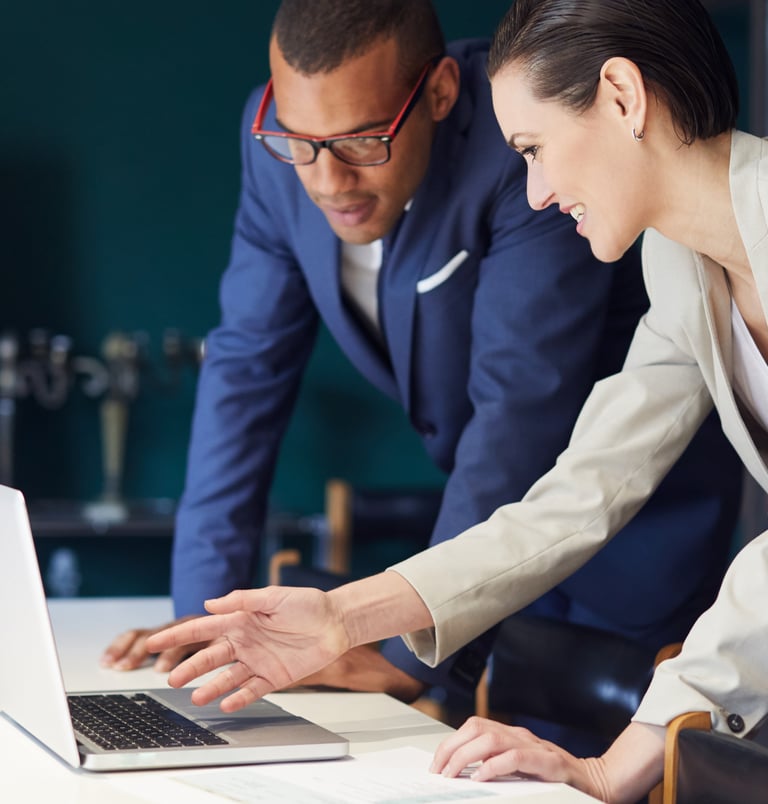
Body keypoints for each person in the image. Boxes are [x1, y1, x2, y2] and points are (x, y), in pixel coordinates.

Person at [144, 0, 768, 798]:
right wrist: (342, 618)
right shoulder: (680, 269)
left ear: (621, 96)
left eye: (536, 150)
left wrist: (622, 760)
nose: (535, 193)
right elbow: (579, 495)